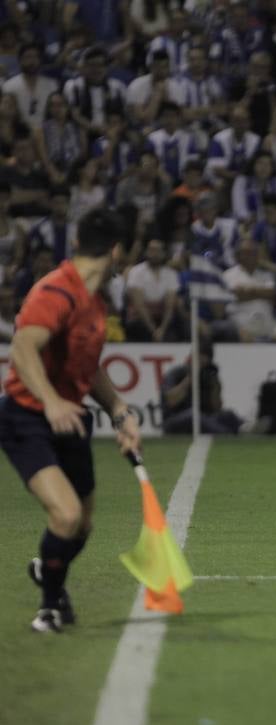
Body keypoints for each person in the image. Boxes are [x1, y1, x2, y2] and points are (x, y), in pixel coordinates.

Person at [0, 207, 141, 633]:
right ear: (118, 252)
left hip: (71, 419)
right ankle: (49, 606)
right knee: (65, 515)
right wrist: (51, 401)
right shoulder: (56, 292)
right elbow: (23, 348)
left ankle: (48, 570)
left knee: (82, 523)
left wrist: (119, 409)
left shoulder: (94, 301)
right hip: (27, 418)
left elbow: (88, 365)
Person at [159, 337, 246, 435]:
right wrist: (191, 377)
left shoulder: (207, 375)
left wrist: (215, 386)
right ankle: (226, 435)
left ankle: (246, 428)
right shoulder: (176, 373)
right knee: (193, 415)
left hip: (203, 418)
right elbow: (171, 401)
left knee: (228, 415)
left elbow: (216, 408)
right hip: (174, 419)